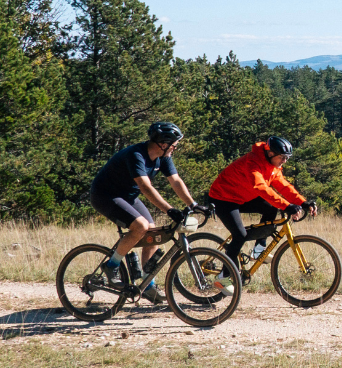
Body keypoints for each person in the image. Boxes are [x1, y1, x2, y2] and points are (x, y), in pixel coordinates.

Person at [87, 121, 199, 303]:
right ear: (163, 144)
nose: (175, 147)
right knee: (140, 226)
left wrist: (193, 204)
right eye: (174, 144)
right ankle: (112, 265)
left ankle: (147, 284)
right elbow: (146, 188)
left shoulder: (163, 157)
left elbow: (176, 181)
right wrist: (170, 210)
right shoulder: (136, 155)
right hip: (105, 195)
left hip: (128, 196)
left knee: (153, 232)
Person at [205, 136, 315, 272]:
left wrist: (303, 202)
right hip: (223, 198)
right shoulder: (253, 162)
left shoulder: (272, 165)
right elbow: (261, 188)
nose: (284, 161)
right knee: (240, 235)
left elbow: (284, 186)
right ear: (270, 153)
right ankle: (225, 276)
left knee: (271, 208)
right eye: (282, 157)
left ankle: (258, 250)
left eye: (287, 158)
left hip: (242, 196)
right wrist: (287, 206)